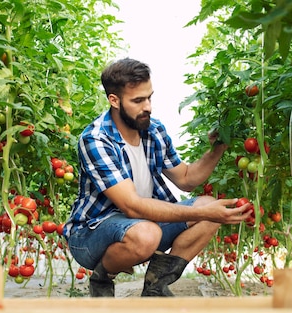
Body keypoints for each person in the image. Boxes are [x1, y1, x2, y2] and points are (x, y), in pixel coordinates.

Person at [62, 58, 251, 297]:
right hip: (91, 235)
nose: (148, 106)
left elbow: (186, 178)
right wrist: (203, 213)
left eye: (149, 97)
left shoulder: (154, 130)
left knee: (207, 207)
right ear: (114, 101)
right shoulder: (96, 139)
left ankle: (156, 286)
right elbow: (132, 206)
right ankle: (102, 278)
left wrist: (218, 148)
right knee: (150, 233)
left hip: (144, 225)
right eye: (138, 100)